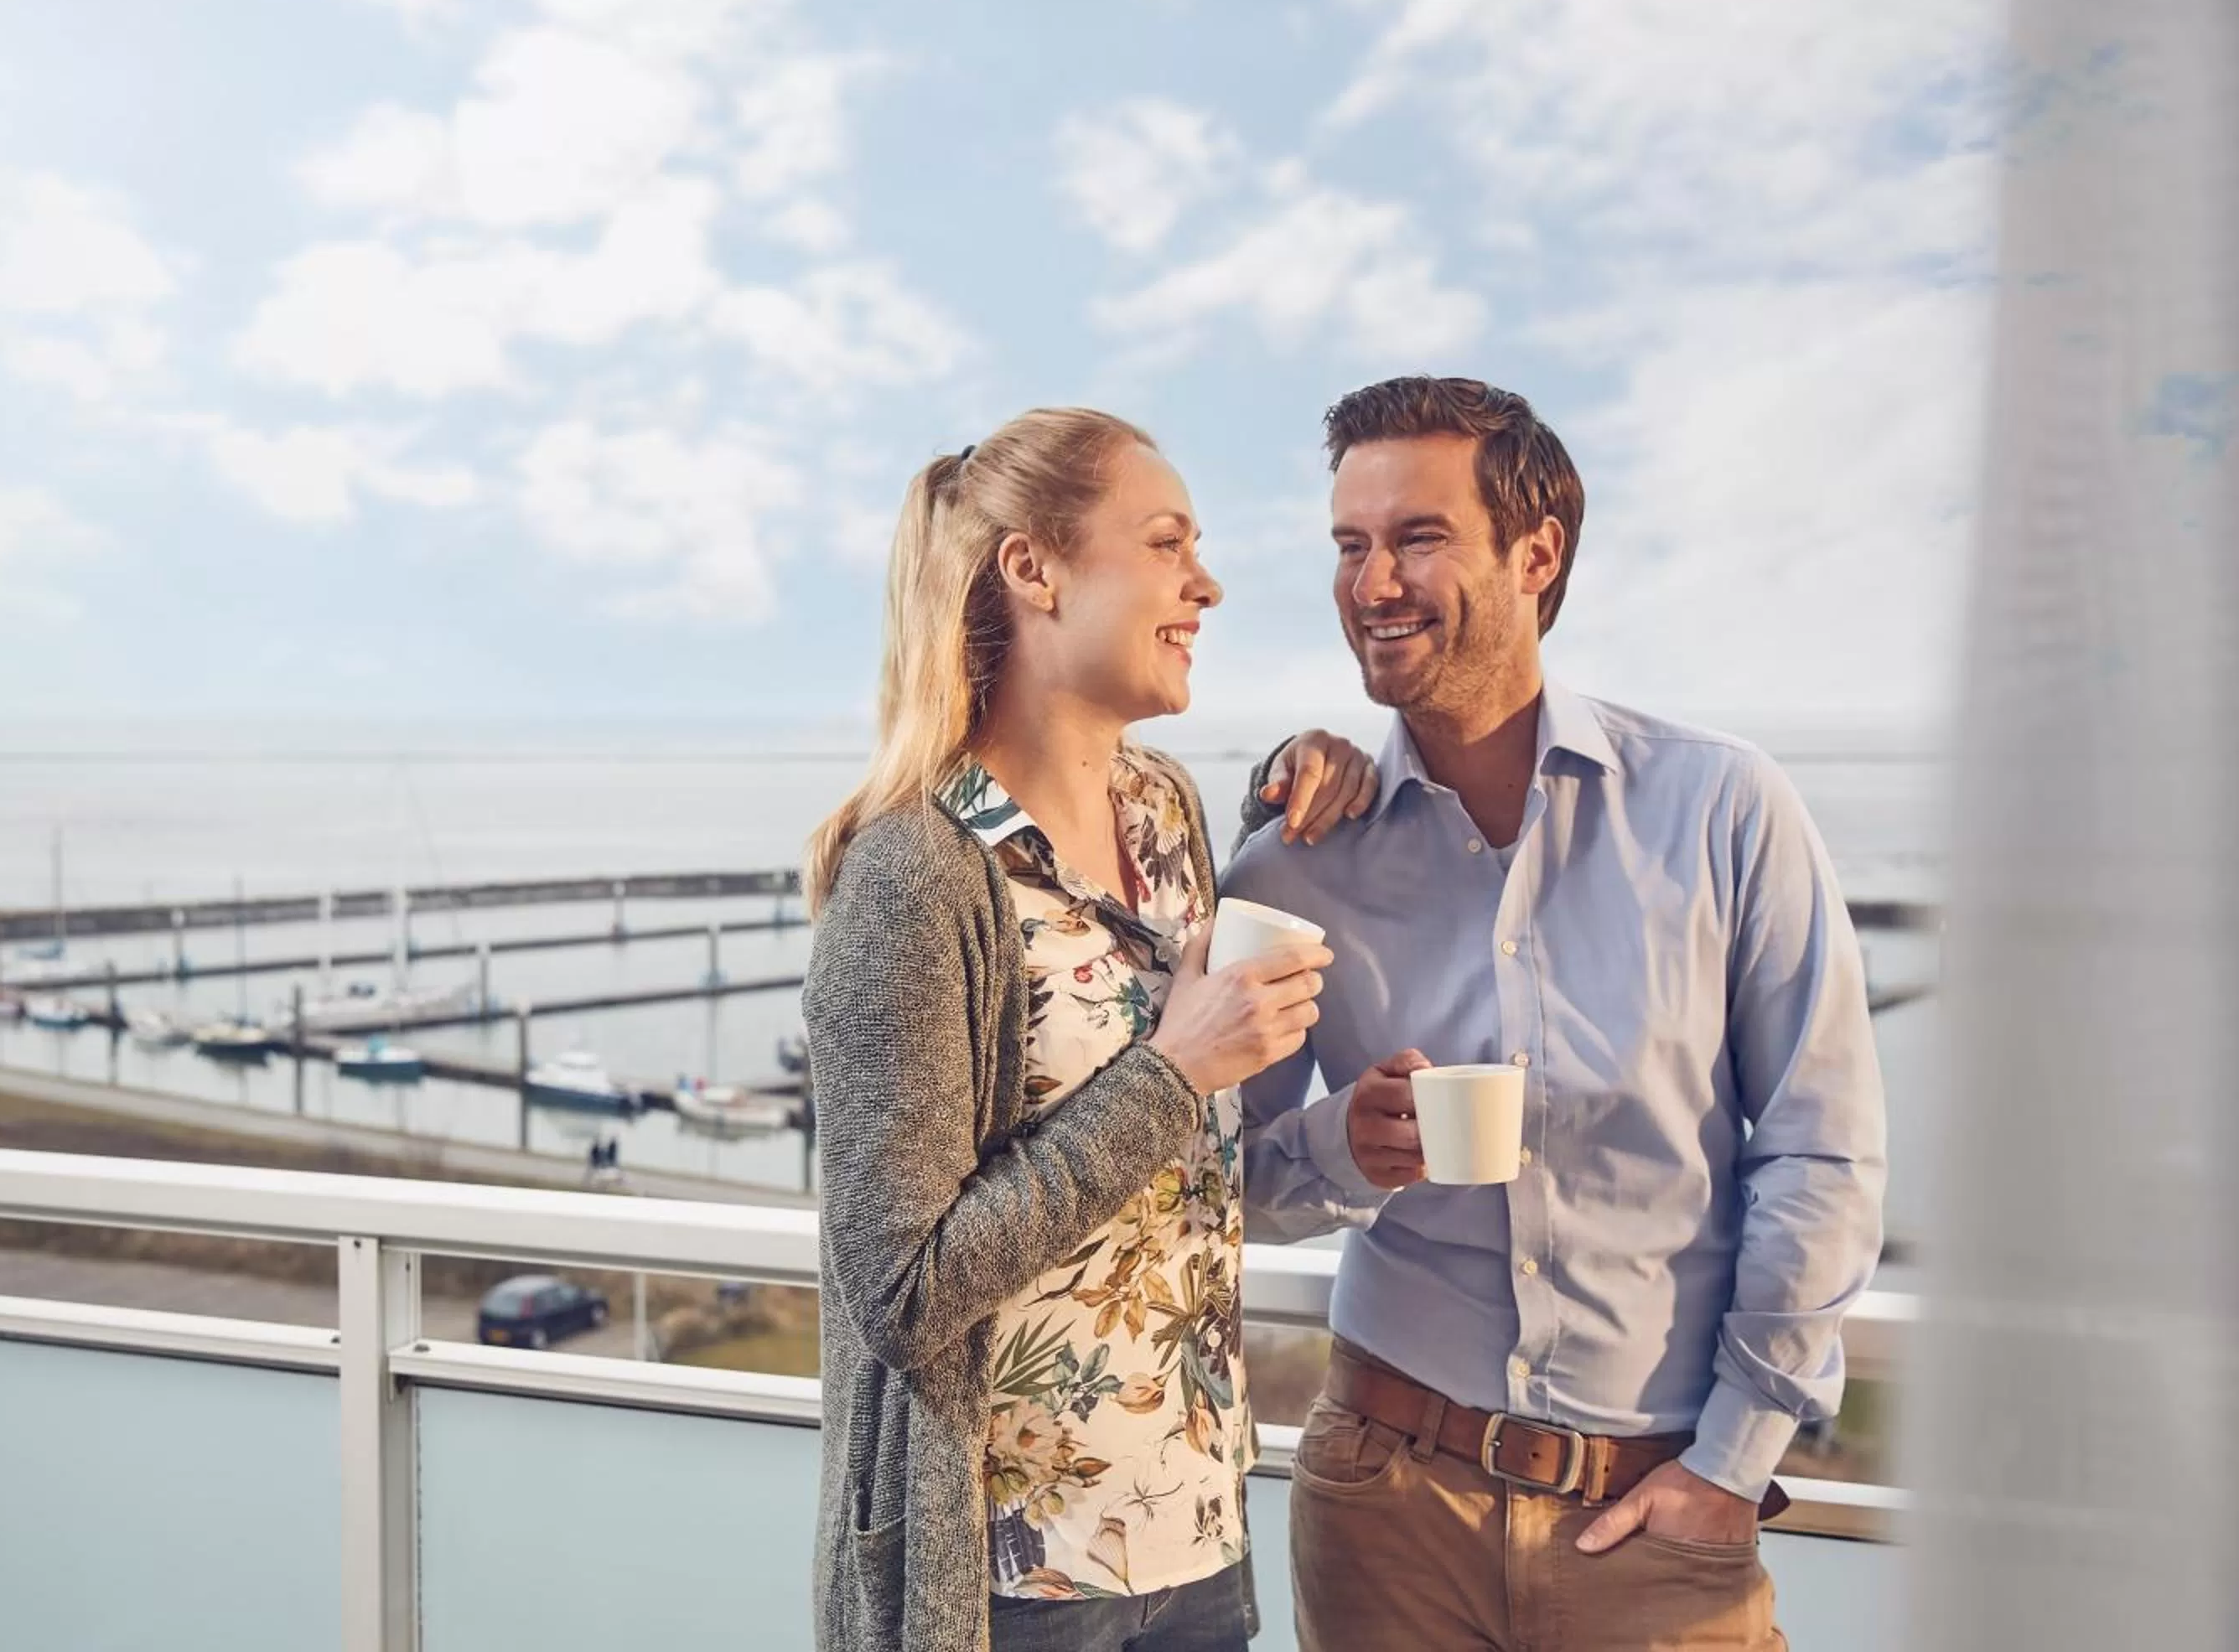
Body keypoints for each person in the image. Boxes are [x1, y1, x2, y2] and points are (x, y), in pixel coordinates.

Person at [1224, 376, 1889, 1652]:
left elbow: (1822, 1149)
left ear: (1538, 555)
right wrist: (1338, 1155)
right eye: (1349, 545)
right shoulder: (1295, 860)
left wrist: (1734, 1461)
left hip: (1657, 1516)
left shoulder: (1722, 808)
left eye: (1418, 538)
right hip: (1385, 1507)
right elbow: (1209, 1181)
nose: (1373, 583)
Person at [802, 407, 1380, 1652]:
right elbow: (901, 1293)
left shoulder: (1168, 815)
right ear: (1035, 570)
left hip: (1196, 1538)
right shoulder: (917, 877)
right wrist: (1173, 1072)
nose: (1206, 584)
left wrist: (1319, 764)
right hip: (1010, 1586)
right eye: (1168, 543)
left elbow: (1189, 1172)